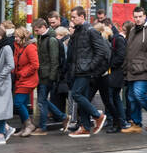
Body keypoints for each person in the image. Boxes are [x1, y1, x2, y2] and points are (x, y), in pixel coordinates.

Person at [66, 7, 110, 138]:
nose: (72, 19)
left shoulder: (90, 31)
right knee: (82, 98)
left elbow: (102, 52)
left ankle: (98, 115)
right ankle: (85, 127)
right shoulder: (78, 31)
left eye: (74, 17)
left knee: (76, 94)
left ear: (82, 17)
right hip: (77, 70)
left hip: (84, 71)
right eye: (71, 17)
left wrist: (90, 67)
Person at [123, 7, 147, 132]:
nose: (138, 19)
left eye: (140, 16)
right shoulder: (134, 30)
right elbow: (129, 52)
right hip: (132, 70)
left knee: (139, 94)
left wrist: (143, 67)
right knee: (131, 98)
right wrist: (126, 68)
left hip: (145, 71)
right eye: (136, 17)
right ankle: (136, 124)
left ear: (145, 16)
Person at [31, 19, 65, 135]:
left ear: (43, 27)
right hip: (41, 74)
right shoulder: (42, 38)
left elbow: (54, 60)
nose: (36, 33)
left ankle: (43, 127)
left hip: (47, 76)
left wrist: (52, 77)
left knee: (41, 101)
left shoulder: (51, 40)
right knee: (43, 100)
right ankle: (63, 117)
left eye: (37, 30)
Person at [12, 26, 39, 136]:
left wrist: (23, 73)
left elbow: (35, 65)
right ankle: (24, 126)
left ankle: (29, 125)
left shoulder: (30, 48)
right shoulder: (18, 47)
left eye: (17, 36)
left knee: (18, 103)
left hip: (28, 79)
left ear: (22, 37)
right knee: (22, 103)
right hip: (20, 79)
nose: (15, 39)